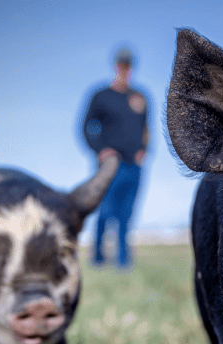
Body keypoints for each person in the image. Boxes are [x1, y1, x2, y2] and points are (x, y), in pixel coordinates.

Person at [82, 47, 150, 269]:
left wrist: (144, 150)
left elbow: (146, 129)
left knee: (126, 214)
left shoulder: (139, 97)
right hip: (110, 165)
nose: (124, 70)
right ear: (115, 66)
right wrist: (100, 149)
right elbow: (86, 127)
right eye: (121, 65)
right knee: (106, 211)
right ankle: (99, 258)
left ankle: (123, 261)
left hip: (134, 166)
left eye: (128, 66)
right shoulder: (101, 96)